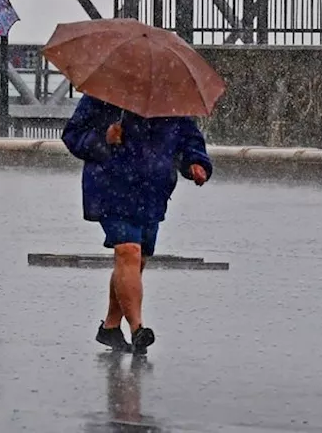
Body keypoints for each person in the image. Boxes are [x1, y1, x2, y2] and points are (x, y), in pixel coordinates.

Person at [62, 94, 212, 354]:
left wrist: (196, 163)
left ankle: (110, 327)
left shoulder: (170, 99)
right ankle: (137, 328)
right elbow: (73, 134)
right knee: (127, 251)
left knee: (134, 260)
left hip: (152, 191)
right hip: (112, 186)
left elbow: (189, 138)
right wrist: (102, 140)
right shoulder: (103, 93)